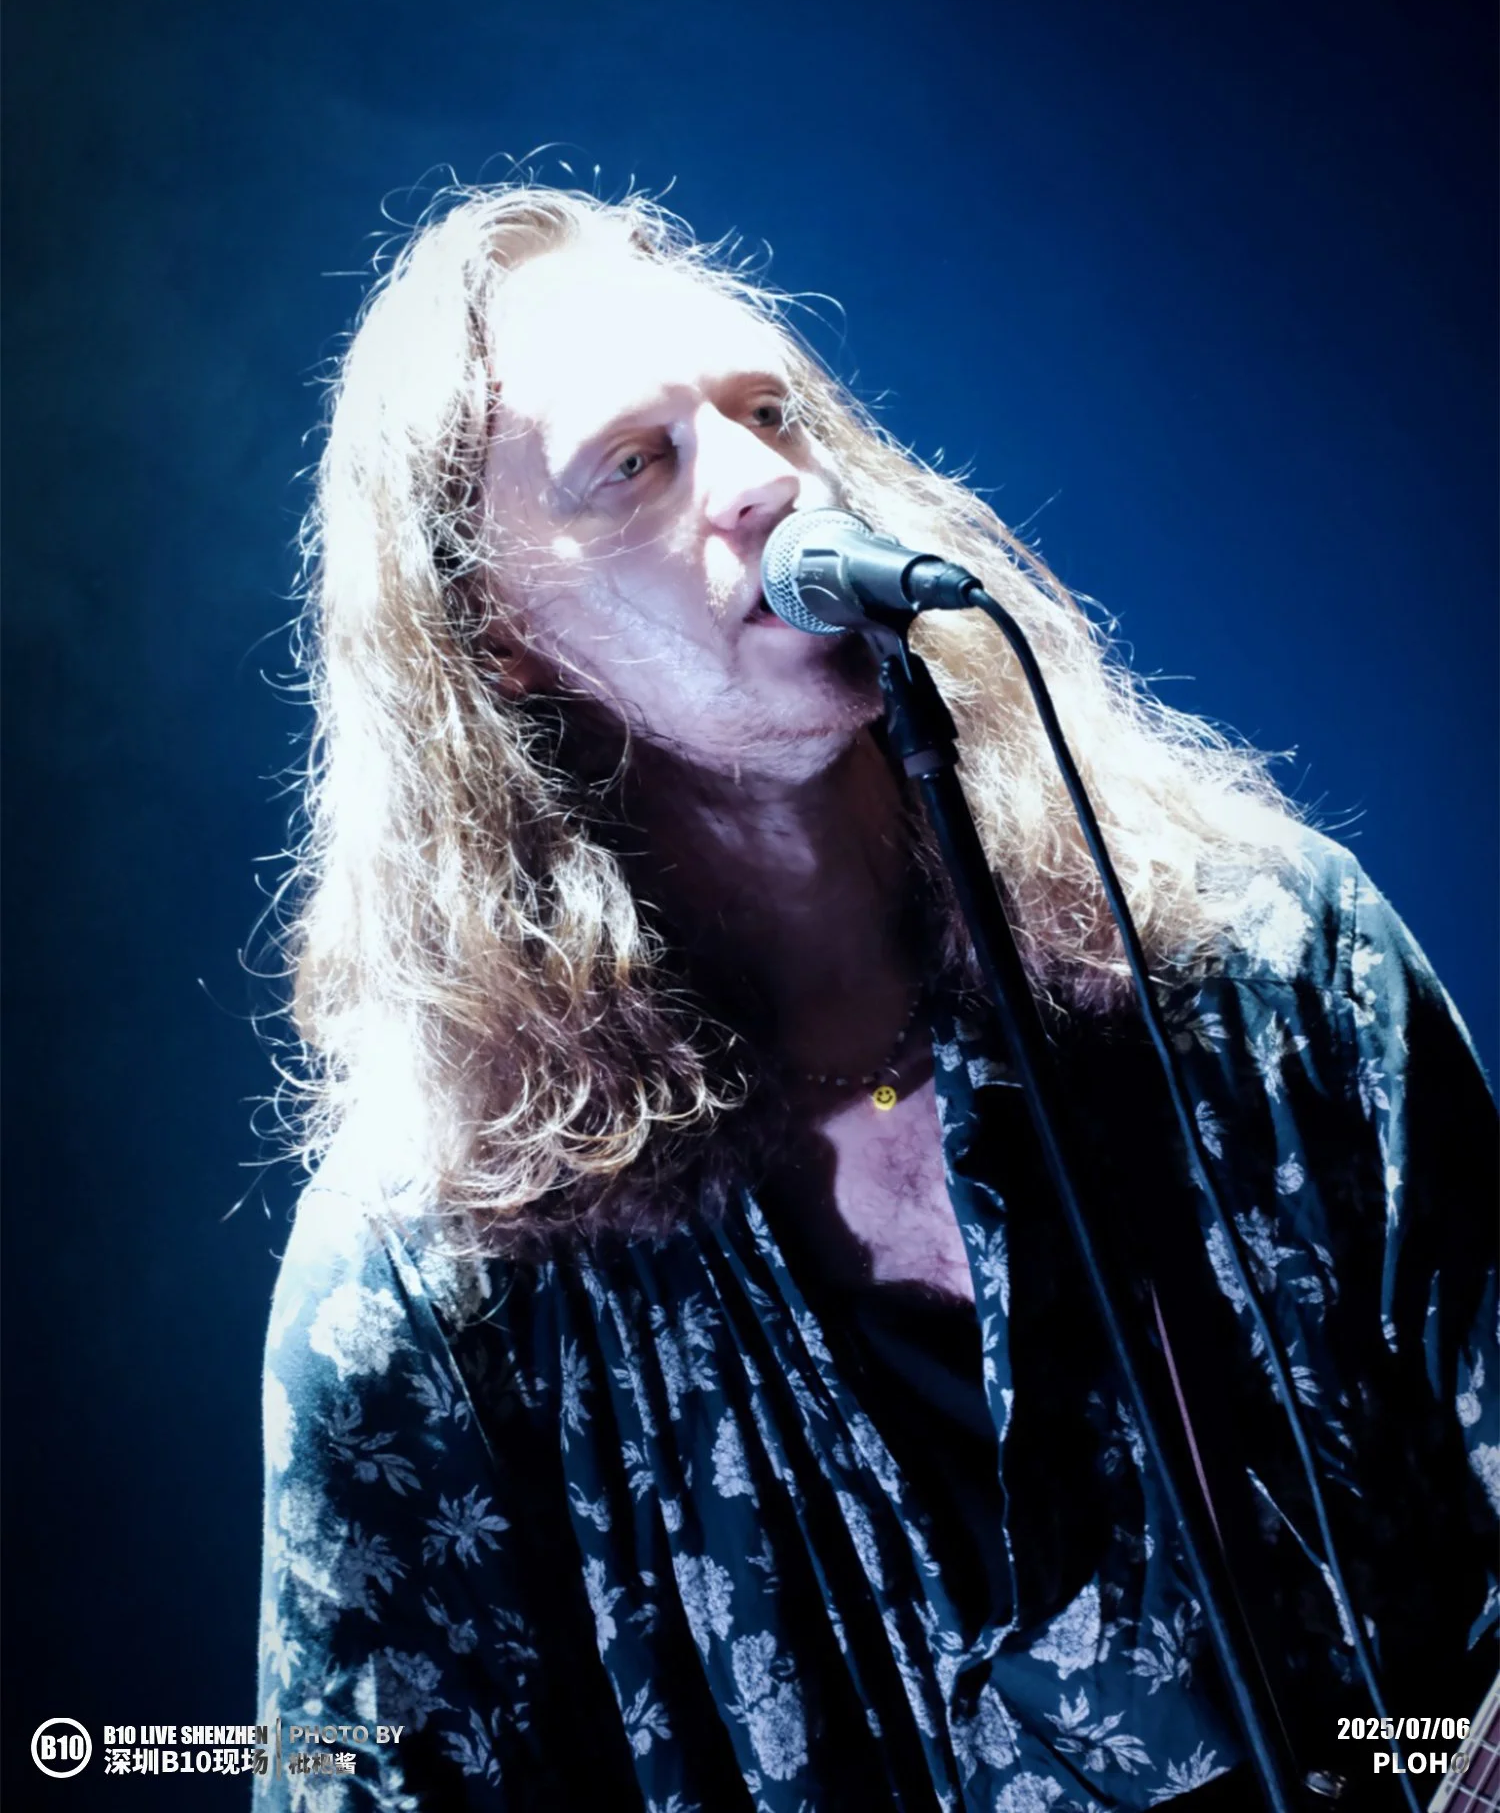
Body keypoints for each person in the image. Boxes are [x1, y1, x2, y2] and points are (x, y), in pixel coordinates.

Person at [255, 182, 1497, 1812]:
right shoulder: (427, 1285)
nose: (766, 479)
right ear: (496, 634)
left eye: (770, 412)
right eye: (635, 465)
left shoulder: (1262, 962)